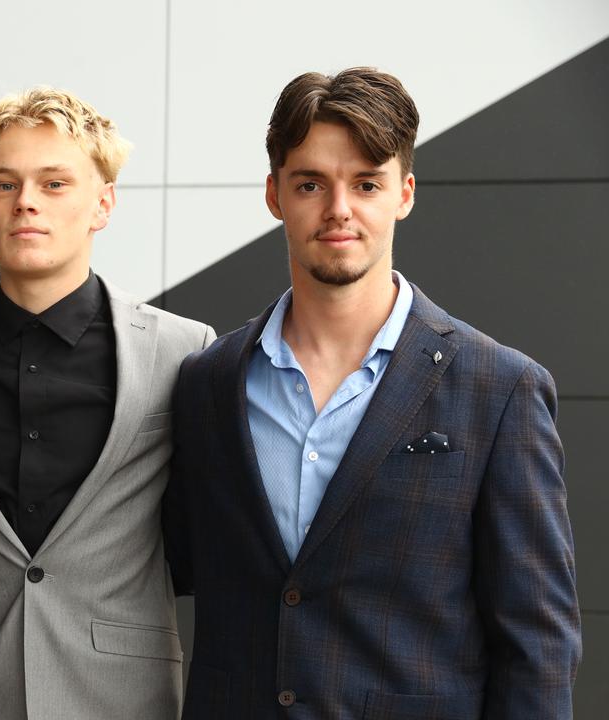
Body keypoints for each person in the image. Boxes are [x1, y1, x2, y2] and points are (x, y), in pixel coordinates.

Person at [165, 67, 581, 718]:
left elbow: (538, 645)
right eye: (311, 184)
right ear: (275, 194)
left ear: (404, 193)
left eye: (366, 184)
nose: (339, 210)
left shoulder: (499, 390)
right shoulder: (208, 382)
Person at [0, 87, 214, 719]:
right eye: (4, 184)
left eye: (54, 184)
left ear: (102, 204)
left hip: (126, 696)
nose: (26, 203)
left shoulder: (183, 351)